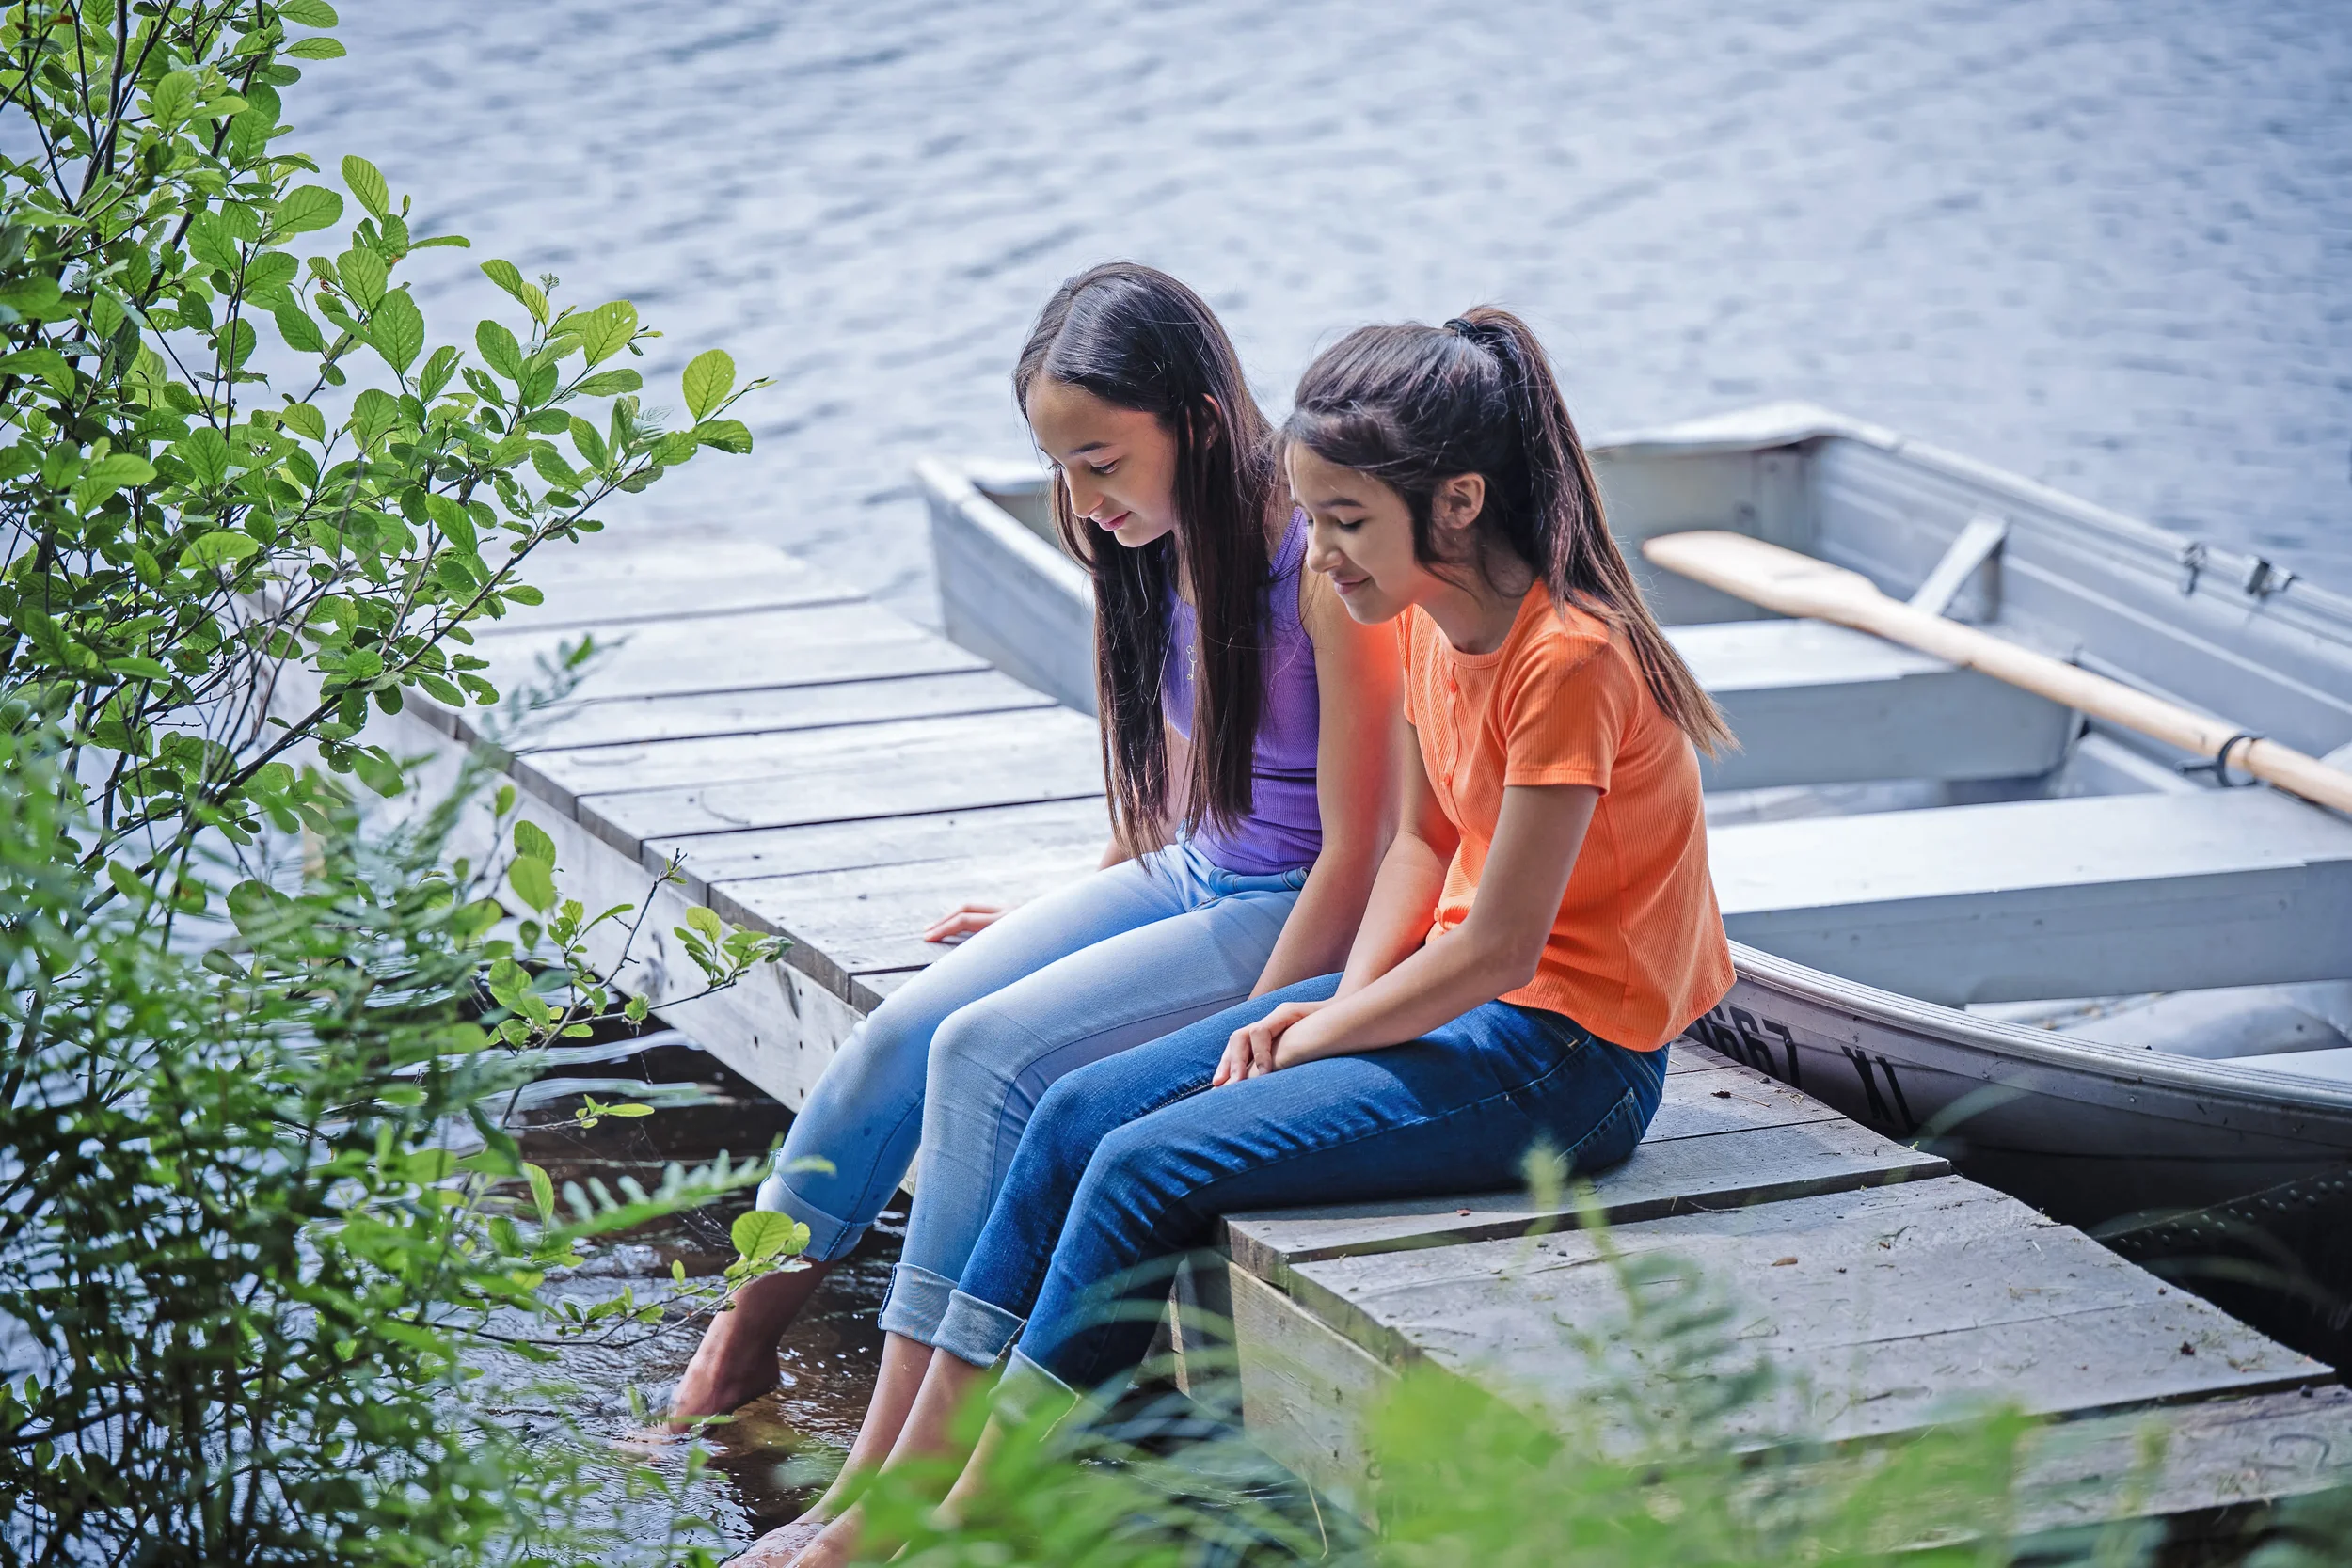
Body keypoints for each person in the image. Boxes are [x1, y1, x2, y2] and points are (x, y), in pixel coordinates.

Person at [773, 306, 1736, 1566]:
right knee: (1071, 1113)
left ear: (1454, 502)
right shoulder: (1434, 628)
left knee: (1140, 1168)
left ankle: (971, 1516)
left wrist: (1326, 1023)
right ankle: (894, 1500)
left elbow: (1505, 948)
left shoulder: (1567, 660)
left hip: (1572, 1062)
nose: (1321, 559)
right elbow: (1416, 849)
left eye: (1346, 523)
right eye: (1315, 518)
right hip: (1460, 1013)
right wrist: (1316, 1012)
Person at [691, 262, 1400, 1559]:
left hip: (1299, 906)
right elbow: (1184, 777)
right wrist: (1076, 908)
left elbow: (1360, 851)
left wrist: (1241, 1039)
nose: (1080, 500)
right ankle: (783, 1388)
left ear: (1193, 414)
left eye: (1099, 462)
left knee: (992, 1053)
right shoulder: (1146, 542)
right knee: (924, 1024)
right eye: (1061, 467)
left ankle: (888, 1484)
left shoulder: (1314, 563)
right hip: (1197, 872)